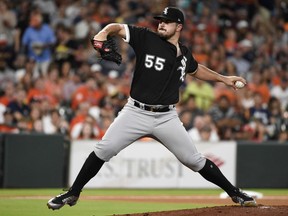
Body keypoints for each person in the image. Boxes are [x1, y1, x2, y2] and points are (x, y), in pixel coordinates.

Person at [47, 7, 257, 210]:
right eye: (160, 21)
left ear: (179, 26)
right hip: (135, 112)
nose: (162, 24)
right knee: (104, 149)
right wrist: (102, 34)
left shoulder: (184, 53)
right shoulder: (146, 38)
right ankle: (73, 192)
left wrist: (224, 79)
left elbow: (195, 69)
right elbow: (117, 28)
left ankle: (235, 193)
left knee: (193, 160)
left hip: (166, 117)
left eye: (167, 22)